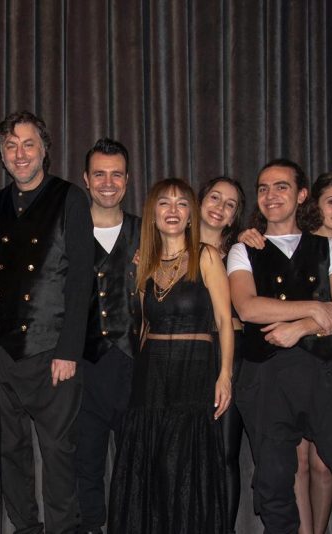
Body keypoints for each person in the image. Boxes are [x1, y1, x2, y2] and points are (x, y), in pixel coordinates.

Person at [226, 159, 332, 533]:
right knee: (273, 482)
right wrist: (314, 308)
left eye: (281, 186)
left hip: (325, 371)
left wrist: (298, 328)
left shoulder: (329, 247)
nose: (271, 195)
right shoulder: (243, 249)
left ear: (301, 195)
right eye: (263, 188)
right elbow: (248, 307)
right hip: (265, 375)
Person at [0, 110, 94, 533]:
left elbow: (81, 278)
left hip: (51, 351)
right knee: (9, 451)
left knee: (58, 453)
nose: (20, 154)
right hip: (0, 352)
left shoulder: (70, 198)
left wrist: (69, 350)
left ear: (44, 149)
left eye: (28, 144)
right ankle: (26, 528)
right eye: (10, 146)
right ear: (1, 155)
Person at [108, 178, 233, 533]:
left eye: (181, 203)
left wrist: (225, 375)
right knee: (153, 465)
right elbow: (143, 328)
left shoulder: (206, 256)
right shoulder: (144, 264)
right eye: (164, 203)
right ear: (153, 214)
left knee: (186, 464)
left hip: (195, 372)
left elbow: (224, 321)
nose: (173, 210)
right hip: (152, 378)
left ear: (191, 214)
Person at [74, 138, 140, 534]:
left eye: (116, 174)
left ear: (128, 180)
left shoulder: (147, 230)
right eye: (99, 174)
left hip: (136, 365)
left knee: (135, 464)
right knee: (86, 463)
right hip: (84, 365)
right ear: (86, 178)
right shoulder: (67, 230)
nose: (108, 182)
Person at [197, 176, 246, 533]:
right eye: (215, 198)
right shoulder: (169, 246)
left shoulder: (243, 253)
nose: (220, 207)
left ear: (234, 217)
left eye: (230, 204)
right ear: (200, 201)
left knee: (225, 451)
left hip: (229, 354)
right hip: (184, 354)